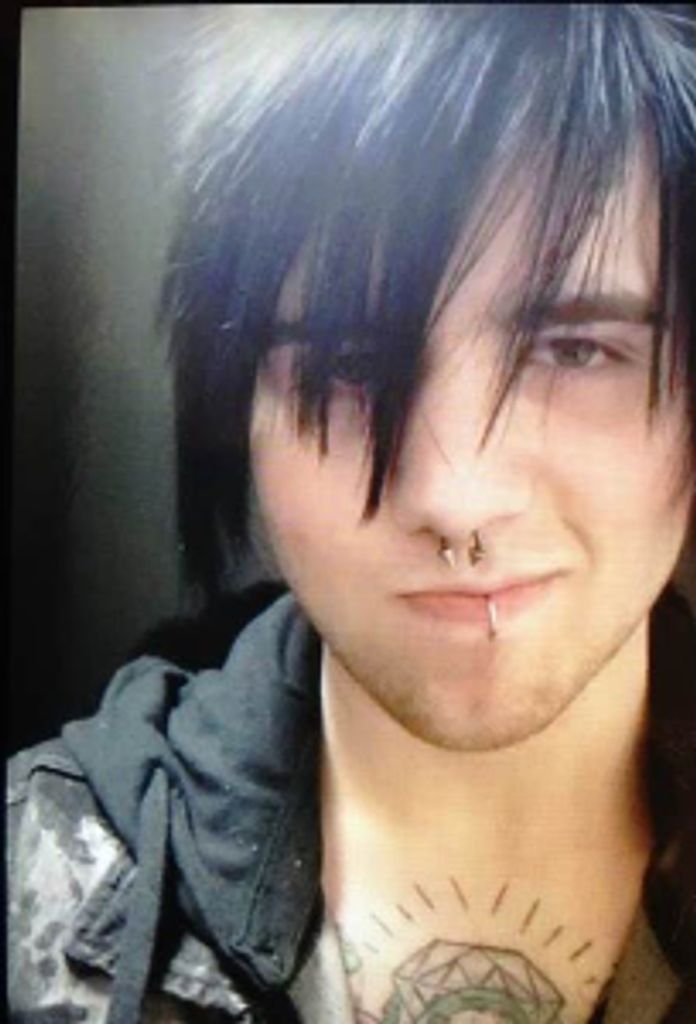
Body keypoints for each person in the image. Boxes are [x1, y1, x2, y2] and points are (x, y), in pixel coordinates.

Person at [8, 5, 696, 1022]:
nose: (456, 501)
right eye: (345, 367)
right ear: (235, 410)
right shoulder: (35, 886)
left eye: (577, 351)